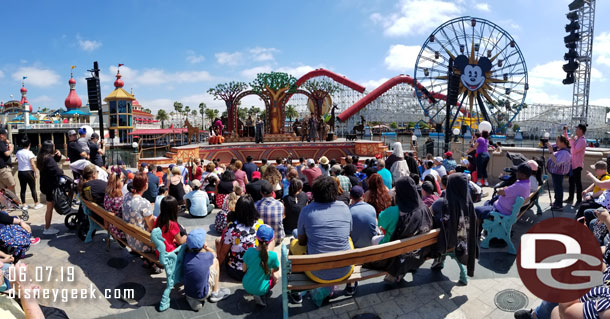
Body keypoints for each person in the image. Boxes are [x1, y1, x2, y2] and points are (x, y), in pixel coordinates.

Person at [290, 176, 354, 291]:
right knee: (348, 241)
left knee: (293, 243)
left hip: (317, 274)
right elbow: (348, 233)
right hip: (346, 270)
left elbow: (302, 241)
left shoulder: (307, 210)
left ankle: (296, 292)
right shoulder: (345, 207)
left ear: (314, 193)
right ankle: (351, 286)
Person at [370, 176, 434, 284]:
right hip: (419, 251)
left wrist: (392, 201)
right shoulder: (424, 207)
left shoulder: (393, 211)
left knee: (373, 239)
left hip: (396, 253)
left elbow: (380, 223)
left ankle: (394, 272)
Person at [430, 173, 478, 278]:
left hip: (446, 243)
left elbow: (431, 214)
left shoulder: (441, 203)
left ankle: (439, 260)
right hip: (462, 242)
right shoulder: (469, 205)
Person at [217, 195, 264, 281]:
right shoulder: (259, 225)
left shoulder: (231, 228)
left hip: (236, 271)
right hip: (254, 270)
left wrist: (216, 267)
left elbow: (223, 253)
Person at [183, 229, 231, 311]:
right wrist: (206, 247)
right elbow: (214, 254)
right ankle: (215, 293)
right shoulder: (207, 256)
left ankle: (192, 299)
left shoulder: (186, 255)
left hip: (188, 292)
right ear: (202, 244)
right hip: (203, 294)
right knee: (215, 261)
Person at [242, 224, 280, 307]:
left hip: (246, 285)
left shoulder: (249, 251)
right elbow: (276, 269)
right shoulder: (273, 255)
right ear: (271, 240)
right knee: (277, 276)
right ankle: (260, 293)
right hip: (261, 289)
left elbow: (244, 269)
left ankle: (255, 292)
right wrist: (270, 272)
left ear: (256, 238)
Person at [122, 172, 155, 254]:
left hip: (130, 239)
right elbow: (152, 227)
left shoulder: (127, 196)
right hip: (143, 243)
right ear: (145, 186)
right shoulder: (144, 203)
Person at [37, 140, 63, 235]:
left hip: (45, 185)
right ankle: (47, 228)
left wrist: (58, 156)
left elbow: (51, 164)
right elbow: (56, 171)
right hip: (50, 186)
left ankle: (47, 226)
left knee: (49, 207)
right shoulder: (48, 159)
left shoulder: (41, 157)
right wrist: (61, 171)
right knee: (49, 207)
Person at [547, 135, 572, 210]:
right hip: (556, 172)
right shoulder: (561, 149)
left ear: (562, 142)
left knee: (558, 188)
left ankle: (559, 204)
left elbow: (557, 162)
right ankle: (556, 201)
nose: (556, 142)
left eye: (557, 141)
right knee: (556, 187)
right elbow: (552, 147)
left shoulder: (565, 152)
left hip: (558, 173)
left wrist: (551, 152)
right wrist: (548, 145)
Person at [16, 138, 42, 209]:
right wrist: (36, 171)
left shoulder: (18, 152)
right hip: (29, 172)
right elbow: (32, 164)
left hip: (21, 172)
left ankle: (24, 205)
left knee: (23, 189)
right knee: (33, 188)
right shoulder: (30, 153)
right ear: (29, 145)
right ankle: (36, 203)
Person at [564, 123, 587, 205]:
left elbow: (573, 150)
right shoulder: (577, 138)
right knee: (571, 182)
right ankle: (570, 198)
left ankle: (579, 200)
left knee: (578, 183)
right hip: (572, 164)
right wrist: (565, 131)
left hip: (577, 165)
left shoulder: (582, 141)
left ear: (581, 130)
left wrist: (572, 141)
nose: (576, 130)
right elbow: (568, 140)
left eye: (577, 129)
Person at [104, 170, 127, 241]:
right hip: (119, 231)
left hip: (111, 226)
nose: (124, 182)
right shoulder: (119, 199)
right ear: (118, 183)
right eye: (122, 180)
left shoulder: (107, 195)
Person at [0, 129, 15, 193]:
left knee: (2, 189)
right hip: (4, 169)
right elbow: (7, 153)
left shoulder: (2, 143)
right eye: (6, 135)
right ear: (1, 135)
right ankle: (12, 201)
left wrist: (8, 143)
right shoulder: (0, 143)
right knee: (12, 184)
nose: (6, 137)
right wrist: (12, 148)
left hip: (2, 169)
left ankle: (5, 202)